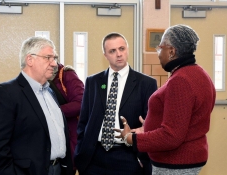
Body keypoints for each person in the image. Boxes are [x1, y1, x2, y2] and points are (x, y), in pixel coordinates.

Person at [115, 24, 216, 175]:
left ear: (171, 51)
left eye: (160, 48)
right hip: (188, 158)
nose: (158, 53)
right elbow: (187, 120)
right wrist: (148, 128)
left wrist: (131, 139)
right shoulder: (199, 73)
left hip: (176, 162)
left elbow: (172, 136)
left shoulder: (181, 80)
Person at [0, 36, 73, 175]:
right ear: (30, 59)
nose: (54, 63)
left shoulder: (51, 92)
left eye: (54, 58)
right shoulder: (5, 93)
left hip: (59, 169)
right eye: (48, 57)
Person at [74, 32, 157, 175]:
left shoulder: (146, 83)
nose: (119, 54)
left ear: (127, 49)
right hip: (94, 158)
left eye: (122, 49)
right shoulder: (93, 82)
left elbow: (150, 124)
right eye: (112, 51)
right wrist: (80, 153)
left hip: (128, 157)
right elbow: (83, 122)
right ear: (105, 55)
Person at [49, 63, 84, 175]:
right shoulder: (39, 79)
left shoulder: (66, 75)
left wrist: (52, 112)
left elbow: (80, 102)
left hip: (69, 135)